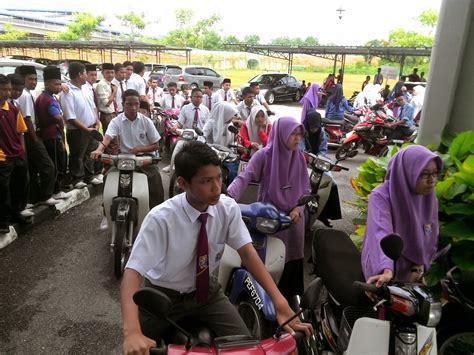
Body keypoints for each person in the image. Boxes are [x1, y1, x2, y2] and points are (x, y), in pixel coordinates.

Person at [120, 141, 312, 353]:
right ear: (183, 183)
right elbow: (132, 274)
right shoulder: (161, 219)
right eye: (206, 181)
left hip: (206, 294)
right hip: (163, 296)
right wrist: (132, 333)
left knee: (245, 348)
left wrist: (280, 303)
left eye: (219, 177)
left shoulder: (227, 208)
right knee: (138, 350)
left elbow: (248, 253)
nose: (217, 187)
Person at [227, 117, 311, 301]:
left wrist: (298, 208)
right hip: (269, 218)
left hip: (294, 219)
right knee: (268, 259)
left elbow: (306, 188)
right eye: (293, 134)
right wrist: (228, 198)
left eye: (299, 134)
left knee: (292, 257)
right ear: (281, 134)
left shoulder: (299, 157)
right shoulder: (264, 155)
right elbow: (245, 176)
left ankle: (290, 301)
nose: (297, 139)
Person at [362, 145, 442, 286]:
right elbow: (380, 232)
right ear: (408, 172)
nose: (432, 181)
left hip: (413, 270)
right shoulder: (381, 196)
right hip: (382, 268)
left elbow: (430, 233)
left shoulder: (429, 199)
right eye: (424, 174)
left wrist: (420, 265)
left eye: (435, 173)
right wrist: (386, 269)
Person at [90, 89, 164, 209]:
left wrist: (140, 148)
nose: (133, 107)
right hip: (124, 159)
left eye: (136, 104)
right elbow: (107, 138)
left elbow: (156, 145)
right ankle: (106, 210)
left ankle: (157, 213)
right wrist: (99, 150)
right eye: (129, 104)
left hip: (145, 159)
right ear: (123, 104)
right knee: (107, 177)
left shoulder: (146, 122)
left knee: (155, 180)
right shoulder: (116, 121)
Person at [15, 65, 59, 205]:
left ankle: (33, 198)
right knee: (48, 166)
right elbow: (27, 119)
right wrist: (35, 139)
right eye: (30, 79)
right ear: (22, 79)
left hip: (28, 134)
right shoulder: (25, 95)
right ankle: (45, 195)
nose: (34, 82)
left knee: (32, 168)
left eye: (35, 79)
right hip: (29, 134)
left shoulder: (27, 93)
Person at [60, 62, 100, 188]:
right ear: (79, 75)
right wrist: (86, 129)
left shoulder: (86, 89)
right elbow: (70, 117)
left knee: (90, 153)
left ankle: (89, 176)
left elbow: (93, 106)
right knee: (78, 155)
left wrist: (97, 121)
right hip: (78, 130)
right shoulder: (67, 92)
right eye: (84, 73)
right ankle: (77, 179)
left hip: (91, 126)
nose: (86, 76)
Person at [35, 66, 71, 200]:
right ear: (47, 84)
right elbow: (57, 117)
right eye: (56, 84)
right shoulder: (49, 99)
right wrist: (62, 128)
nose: (59, 87)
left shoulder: (44, 97)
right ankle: (55, 190)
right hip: (53, 135)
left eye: (59, 84)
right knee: (58, 164)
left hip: (48, 134)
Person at [0, 74, 30, 233]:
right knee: (3, 190)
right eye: (3, 89)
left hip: (16, 154)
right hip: (2, 157)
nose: (7, 92)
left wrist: (22, 151)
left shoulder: (12, 109)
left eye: (8, 89)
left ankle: (15, 213)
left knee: (19, 186)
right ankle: (3, 221)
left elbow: (21, 131)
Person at [303, 110, 342, 228]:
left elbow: (323, 151)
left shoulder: (322, 133)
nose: (313, 130)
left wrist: (317, 160)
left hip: (319, 164)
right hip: (303, 163)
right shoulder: (301, 131)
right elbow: (301, 149)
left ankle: (324, 215)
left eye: (316, 127)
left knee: (331, 184)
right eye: (311, 127)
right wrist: (307, 160)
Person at [161, 88, 211, 174]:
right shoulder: (185, 108)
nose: (198, 99)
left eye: (200, 97)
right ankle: (172, 165)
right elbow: (180, 123)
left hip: (199, 137)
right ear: (191, 97)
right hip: (186, 135)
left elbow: (207, 125)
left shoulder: (205, 110)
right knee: (176, 146)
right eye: (196, 96)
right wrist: (175, 127)